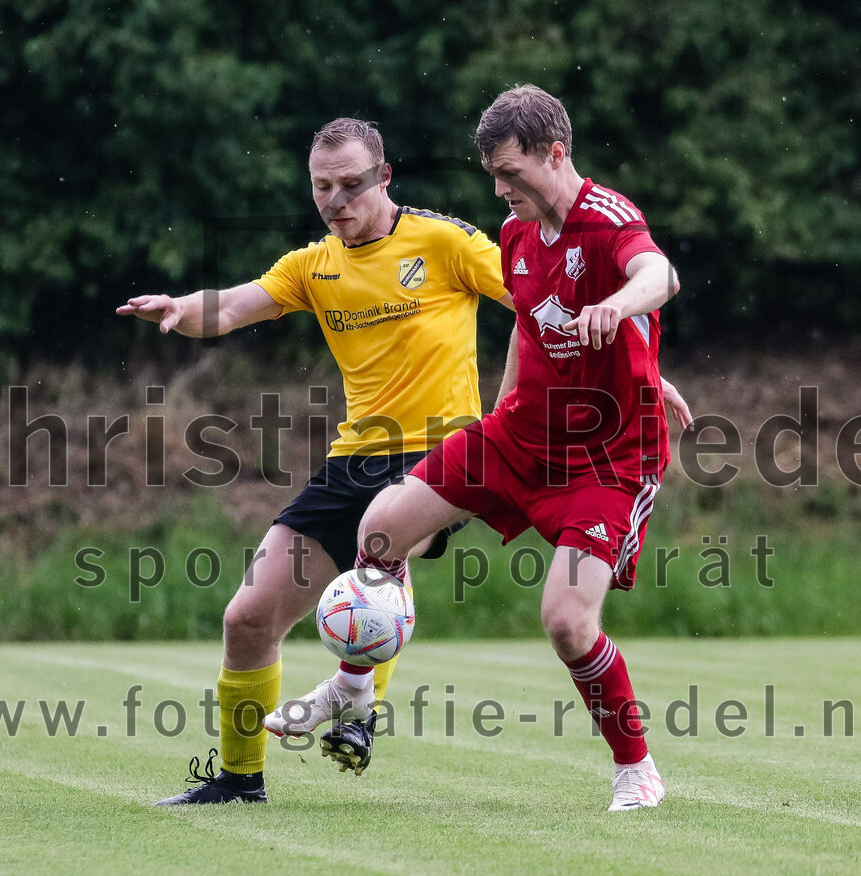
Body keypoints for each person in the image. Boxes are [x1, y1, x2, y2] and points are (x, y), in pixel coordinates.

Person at [267, 86, 683, 813]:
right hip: (518, 436)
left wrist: (622, 306)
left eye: (511, 171)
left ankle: (635, 767)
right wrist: (500, 416)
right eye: (492, 173)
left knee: (566, 620)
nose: (499, 187)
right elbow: (529, 322)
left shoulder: (608, 219)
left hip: (608, 459)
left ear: (556, 154)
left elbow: (658, 274)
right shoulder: (518, 234)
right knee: (379, 528)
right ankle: (353, 691)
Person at [117, 118, 513, 803]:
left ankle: (358, 712)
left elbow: (537, 302)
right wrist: (181, 307)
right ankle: (240, 781)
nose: (337, 200)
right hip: (354, 458)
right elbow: (236, 307)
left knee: (378, 555)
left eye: (353, 184)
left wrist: (622, 362)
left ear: (385, 178)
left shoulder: (446, 242)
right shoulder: (314, 264)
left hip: (445, 453)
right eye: (322, 187)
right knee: (247, 618)